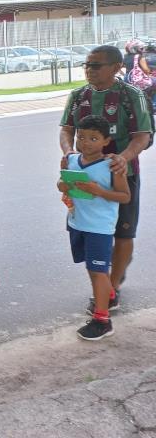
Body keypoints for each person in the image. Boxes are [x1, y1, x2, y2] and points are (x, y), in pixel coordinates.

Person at [59, 44, 153, 315]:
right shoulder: (78, 96)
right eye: (87, 65)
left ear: (116, 67)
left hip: (123, 176)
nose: (89, 70)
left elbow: (142, 136)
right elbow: (66, 129)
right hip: (84, 177)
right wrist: (68, 152)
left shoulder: (131, 95)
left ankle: (111, 289)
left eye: (96, 65)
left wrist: (123, 157)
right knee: (90, 228)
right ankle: (104, 280)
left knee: (123, 231)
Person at [57, 115, 130, 340]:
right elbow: (61, 183)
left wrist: (98, 190)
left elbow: (125, 196)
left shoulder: (112, 166)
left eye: (93, 138)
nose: (85, 142)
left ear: (106, 141)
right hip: (77, 223)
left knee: (98, 270)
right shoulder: (71, 160)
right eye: (81, 137)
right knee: (92, 268)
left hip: (100, 227)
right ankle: (106, 295)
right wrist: (63, 185)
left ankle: (102, 320)